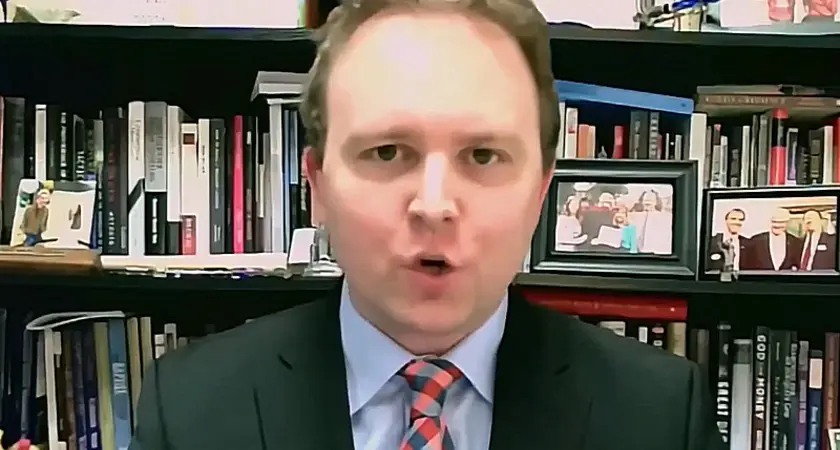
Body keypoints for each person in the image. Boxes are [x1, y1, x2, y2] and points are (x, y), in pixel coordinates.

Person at [129, 0, 723, 448]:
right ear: (318, 187)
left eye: (483, 156)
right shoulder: (186, 407)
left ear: (541, 194)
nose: (434, 204)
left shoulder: (663, 413)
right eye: (388, 152)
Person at [707, 207, 749, 272]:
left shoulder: (749, 244)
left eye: (741, 220)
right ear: (726, 220)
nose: (737, 222)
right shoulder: (712, 241)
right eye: (733, 219)